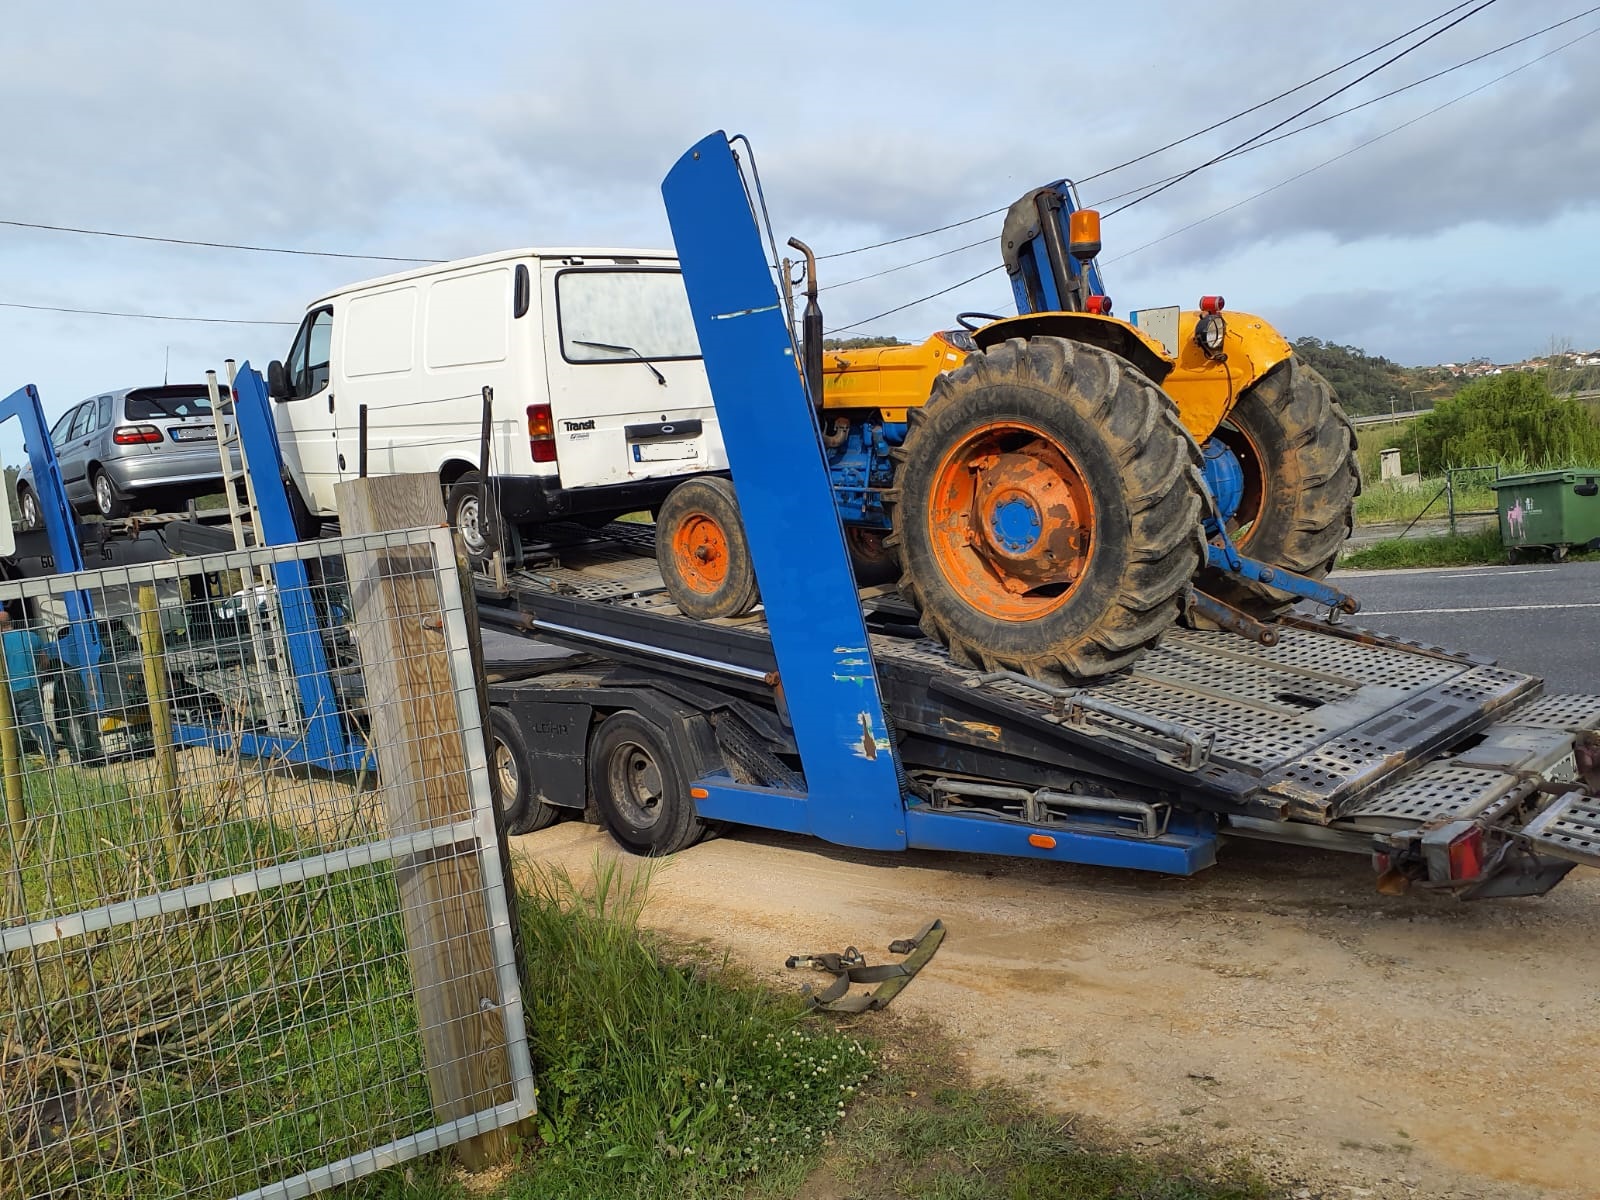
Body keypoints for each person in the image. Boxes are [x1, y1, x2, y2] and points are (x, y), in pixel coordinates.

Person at [0, 608, 56, 761]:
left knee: (11, 728)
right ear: (11, 622)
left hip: (7, 692)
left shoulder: (1, 642)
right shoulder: (32, 637)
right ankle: (52, 755)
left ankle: (25, 758)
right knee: (38, 724)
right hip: (31, 687)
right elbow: (45, 663)